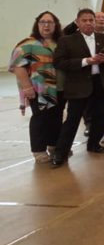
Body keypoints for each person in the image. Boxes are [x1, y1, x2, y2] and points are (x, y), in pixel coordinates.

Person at [51, 9, 104, 167]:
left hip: (103, 83)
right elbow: (59, 62)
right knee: (72, 119)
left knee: (100, 116)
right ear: (77, 22)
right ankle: (61, 152)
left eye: (91, 20)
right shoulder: (66, 40)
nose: (88, 23)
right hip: (79, 84)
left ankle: (94, 144)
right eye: (84, 20)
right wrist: (85, 61)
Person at [9, 11, 64, 163]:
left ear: (56, 25)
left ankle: (54, 145)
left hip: (60, 88)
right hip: (39, 90)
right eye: (42, 22)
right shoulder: (28, 44)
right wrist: (27, 87)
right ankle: (39, 150)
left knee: (56, 117)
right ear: (37, 24)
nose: (46, 25)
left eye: (50, 22)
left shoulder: (61, 43)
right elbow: (17, 66)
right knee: (40, 119)